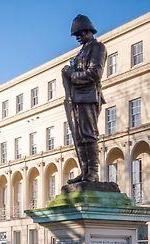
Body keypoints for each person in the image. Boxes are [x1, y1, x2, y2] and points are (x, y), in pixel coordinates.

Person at [62, 15, 107, 183]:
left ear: (88, 31)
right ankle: (85, 170)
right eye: (76, 36)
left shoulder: (98, 48)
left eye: (80, 34)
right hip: (77, 98)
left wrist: (72, 75)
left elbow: (95, 73)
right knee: (79, 136)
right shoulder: (81, 52)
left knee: (89, 134)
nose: (78, 38)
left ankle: (92, 172)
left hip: (89, 97)